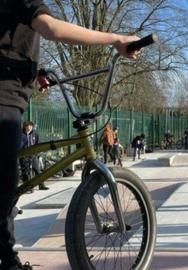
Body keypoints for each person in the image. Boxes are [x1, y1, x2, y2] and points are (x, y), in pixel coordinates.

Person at [0, 1, 141, 268]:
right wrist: (115, 39)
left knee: (8, 192)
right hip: (4, 102)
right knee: (4, 193)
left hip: (10, 99)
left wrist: (33, 73)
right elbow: (52, 28)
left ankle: (8, 259)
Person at [19, 121, 49, 193]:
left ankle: (41, 185)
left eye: (30, 126)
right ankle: (28, 187)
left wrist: (38, 153)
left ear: (32, 127)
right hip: (24, 155)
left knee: (37, 170)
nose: (29, 127)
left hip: (33, 155)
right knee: (25, 172)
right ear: (24, 127)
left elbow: (38, 143)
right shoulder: (20, 134)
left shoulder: (35, 134)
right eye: (27, 126)